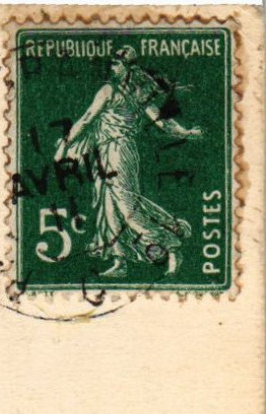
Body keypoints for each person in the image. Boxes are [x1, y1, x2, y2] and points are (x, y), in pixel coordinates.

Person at [54, 45, 203, 277]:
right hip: (107, 152)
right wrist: (186, 132)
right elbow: (162, 122)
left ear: (128, 68)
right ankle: (120, 261)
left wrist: (65, 143)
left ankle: (171, 244)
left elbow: (86, 120)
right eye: (111, 63)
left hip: (119, 151)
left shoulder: (111, 91)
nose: (111, 67)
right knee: (109, 205)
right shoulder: (137, 94)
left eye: (116, 64)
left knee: (126, 204)